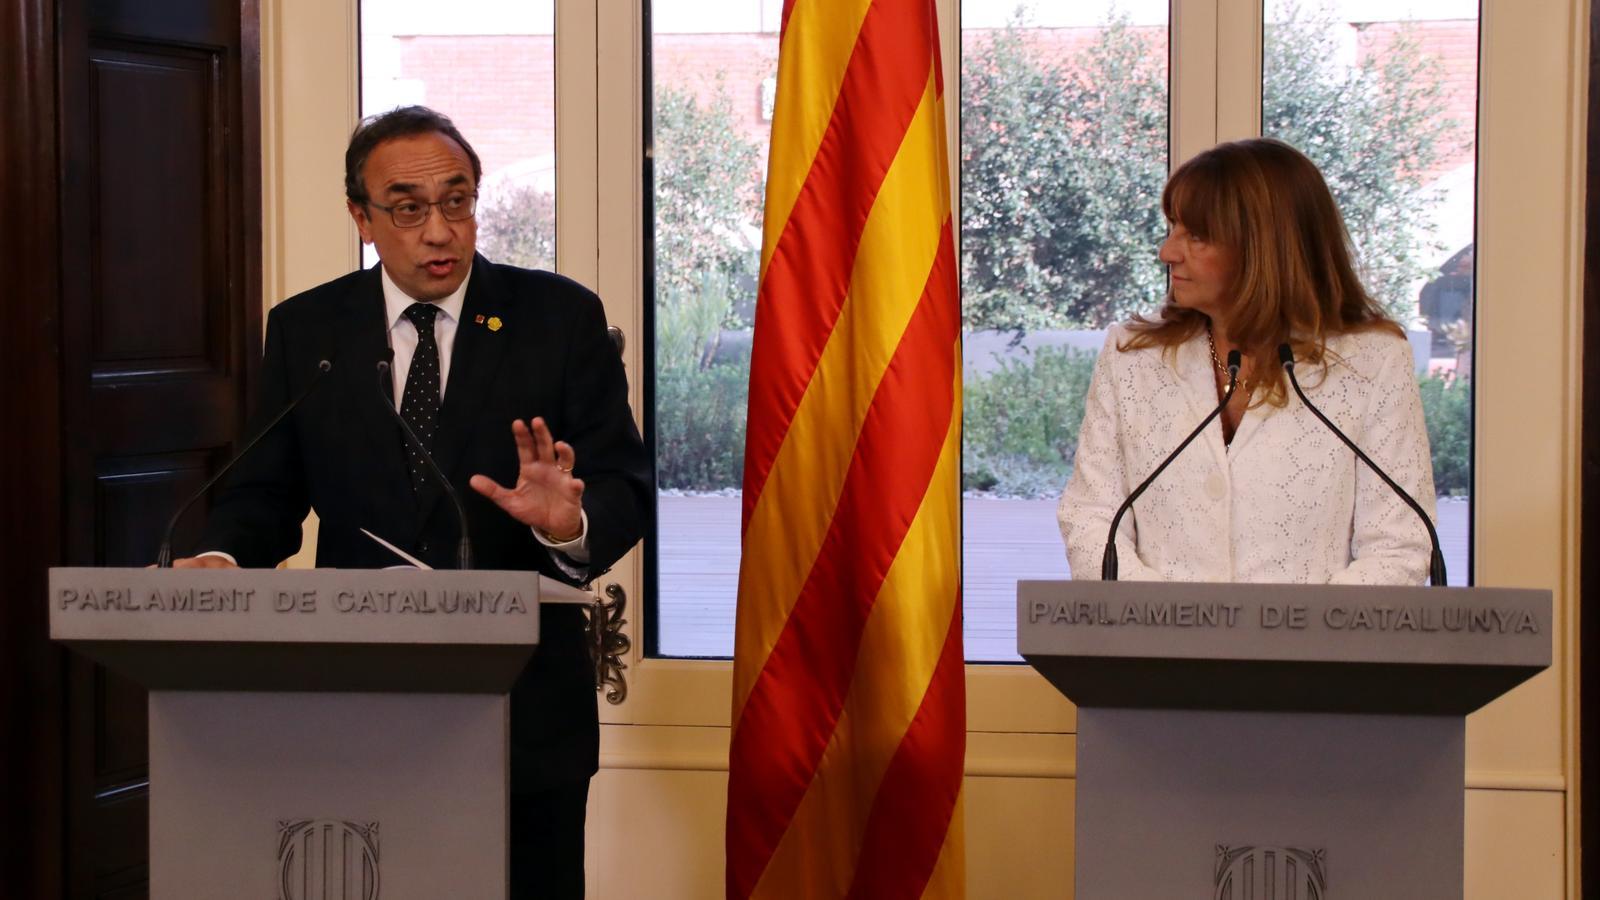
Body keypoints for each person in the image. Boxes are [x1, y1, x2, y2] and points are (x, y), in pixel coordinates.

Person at [171, 105, 651, 897]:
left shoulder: (559, 319)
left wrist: (572, 524)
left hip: (522, 713)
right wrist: (220, 559)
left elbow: (622, 487)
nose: (439, 231)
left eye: (457, 201)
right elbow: (266, 493)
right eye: (408, 208)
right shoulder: (307, 331)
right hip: (360, 705)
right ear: (361, 216)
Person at [1059, 138, 1435, 585]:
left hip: (1315, 651)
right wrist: (1165, 630)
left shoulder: (1373, 362)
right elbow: (1091, 519)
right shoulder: (1132, 356)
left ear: (1265, 248)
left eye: (1195, 235)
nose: (1168, 252)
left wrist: (1297, 637)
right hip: (1156, 650)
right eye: (1174, 227)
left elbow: (1399, 547)